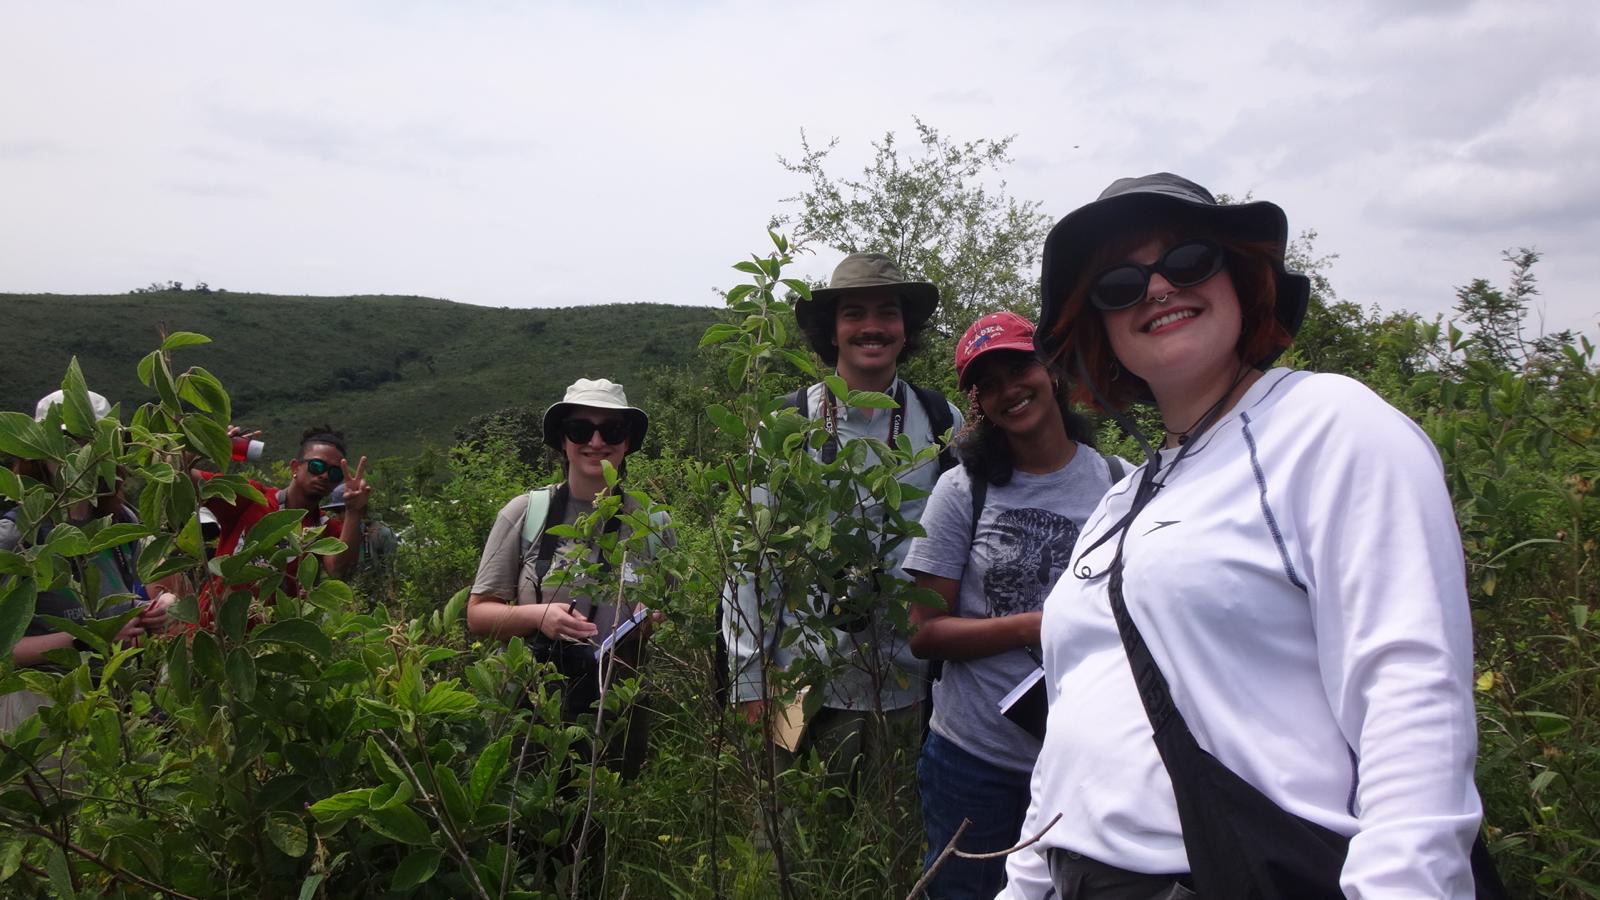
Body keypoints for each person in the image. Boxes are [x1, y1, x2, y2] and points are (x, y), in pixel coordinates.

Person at [1000, 174, 1487, 898]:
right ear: (1098, 323)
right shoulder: (1123, 497)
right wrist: (1025, 882)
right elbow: (1077, 714)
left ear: (1239, 275)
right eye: (1121, 283)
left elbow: (1411, 692)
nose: (1158, 288)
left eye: (1189, 259)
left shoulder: (1327, 425)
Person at [722, 251, 963, 792]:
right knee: (797, 851)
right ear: (831, 329)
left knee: (894, 850)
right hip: (801, 683)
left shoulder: (944, 421)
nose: (872, 327)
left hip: (912, 687)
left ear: (907, 329)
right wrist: (749, 679)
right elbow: (752, 559)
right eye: (854, 313)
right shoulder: (788, 424)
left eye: (887, 312)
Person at [903, 312, 1124, 900]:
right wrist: (1039, 625)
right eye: (988, 383)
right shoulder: (961, 490)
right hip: (977, 762)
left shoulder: (1120, 484)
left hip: (1090, 758)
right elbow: (924, 633)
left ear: (1051, 370)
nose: (1009, 390)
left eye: (1019, 367)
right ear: (978, 403)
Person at [466, 378, 672, 780]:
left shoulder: (652, 522)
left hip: (617, 714)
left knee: (609, 829)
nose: (596, 441)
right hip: (533, 709)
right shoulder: (526, 513)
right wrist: (537, 616)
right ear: (563, 440)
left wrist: (654, 622)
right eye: (581, 430)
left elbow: (674, 613)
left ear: (627, 441)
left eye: (611, 430)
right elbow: (478, 615)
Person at [1, 390, 177, 730]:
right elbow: (6, 650)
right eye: (67, 441)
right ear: (37, 452)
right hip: (42, 711)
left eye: (94, 441)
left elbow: (143, 590)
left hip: (116, 700)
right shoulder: (17, 534)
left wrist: (161, 607)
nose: (81, 453)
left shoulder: (120, 519)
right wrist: (86, 638)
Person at [199, 424, 370, 584]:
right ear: (295, 467)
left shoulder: (325, 529)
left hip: (277, 616)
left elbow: (340, 573)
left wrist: (354, 511)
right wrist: (208, 443)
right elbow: (180, 476)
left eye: (334, 473)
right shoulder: (251, 496)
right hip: (216, 613)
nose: (324, 476)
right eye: (317, 466)